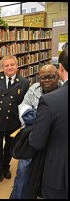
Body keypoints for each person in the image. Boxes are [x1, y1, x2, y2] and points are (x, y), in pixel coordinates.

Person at [10, 64, 61, 199]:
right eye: (43, 77)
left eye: (51, 76)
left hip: (54, 142)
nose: (46, 80)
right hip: (32, 138)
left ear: (58, 76)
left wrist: (36, 116)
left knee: (51, 174)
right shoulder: (34, 89)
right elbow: (23, 110)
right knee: (23, 170)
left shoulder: (63, 91)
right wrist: (44, 120)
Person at [0, 55, 30, 189]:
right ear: (2, 68)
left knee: (9, 148)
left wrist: (23, 122)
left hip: (14, 123)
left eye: (12, 65)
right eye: (6, 65)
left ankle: (5, 168)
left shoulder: (24, 82)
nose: (9, 67)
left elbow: (26, 104)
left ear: (17, 66)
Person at [29, 46, 68, 199]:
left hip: (60, 174)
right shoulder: (34, 90)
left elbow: (37, 142)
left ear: (60, 69)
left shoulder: (51, 101)